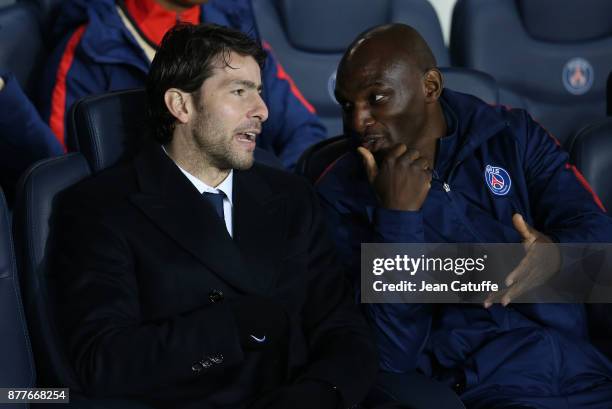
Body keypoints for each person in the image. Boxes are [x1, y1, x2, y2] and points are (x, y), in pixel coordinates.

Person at [52, 23, 377, 409]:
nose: (262, 111)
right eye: (239, 92)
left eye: (258, 92)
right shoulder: (100, 208)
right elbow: (102, 361)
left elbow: (342, 326)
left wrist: (324, 391)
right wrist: (231, 327)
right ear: (181, 105)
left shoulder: (290, 196)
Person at [315, 23, 612, 409]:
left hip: (587, 371)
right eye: (347, 105)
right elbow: (390, 356)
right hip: (484, 390)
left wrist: (555, 253)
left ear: (430, 88)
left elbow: (599, 246)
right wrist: (398, 219)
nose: (358, 122)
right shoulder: (338, 193)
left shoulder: (513, 134)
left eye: (377, 98)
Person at [37, 0, 326, 169]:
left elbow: (303, 132)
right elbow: (66, 169)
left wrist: (273, 196)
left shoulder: (234, 29)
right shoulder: (88, 48)